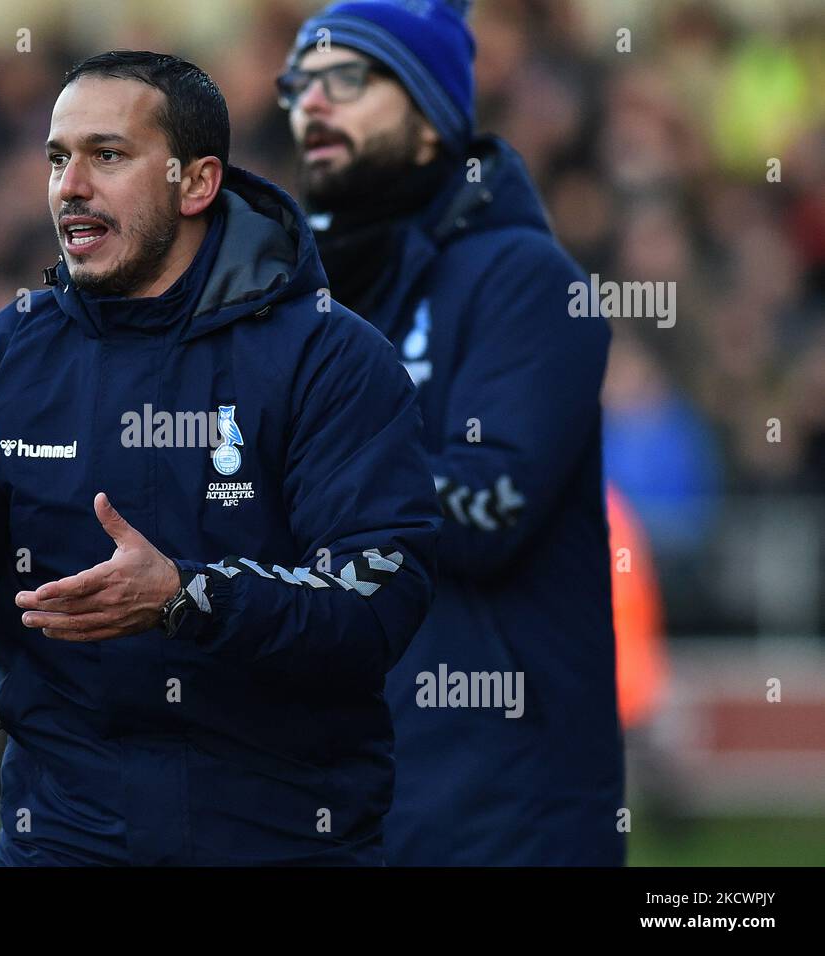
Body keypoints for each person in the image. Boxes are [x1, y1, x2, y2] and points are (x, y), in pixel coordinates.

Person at [0, 50, 440, 866]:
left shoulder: (330, 359)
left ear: (195, 185)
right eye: (57, 158)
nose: (69, 186)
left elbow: (378, 603)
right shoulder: (1, 359)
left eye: (107, 155)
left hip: (288, 845)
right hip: (60, 844)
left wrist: (188, 598)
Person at [280, 1, 624, 864]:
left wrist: (301, 467)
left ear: (433, 120)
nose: (310, 105)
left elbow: (489, 510)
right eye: (299, 86)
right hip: (344, 802)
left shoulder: (525, 278)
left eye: (346, 80)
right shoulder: (304, 298)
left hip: (504, 817)